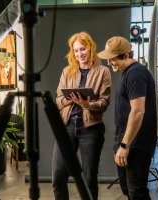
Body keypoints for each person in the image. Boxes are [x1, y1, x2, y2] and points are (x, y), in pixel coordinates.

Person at [53, 31, 112, 200]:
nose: (80, 54)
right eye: (76, 50)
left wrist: (89, 105)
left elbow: (104, 103)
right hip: (67, 126)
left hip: (91, 129)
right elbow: (58, 101)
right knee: (58, 176)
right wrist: (71, 99)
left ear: (91, 48)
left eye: (83, 49)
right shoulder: (67, 71)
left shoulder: (103, 72)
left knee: (89, 180)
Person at [98, 36, 157, 200]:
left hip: (135, 144)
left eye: (112, 59)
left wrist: (125, 145)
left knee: (137, 193)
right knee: (128, 191)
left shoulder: (135, 74)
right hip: (126, 141)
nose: (109, 63)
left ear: (125, 55)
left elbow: (138, 111)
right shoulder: (127, 72)